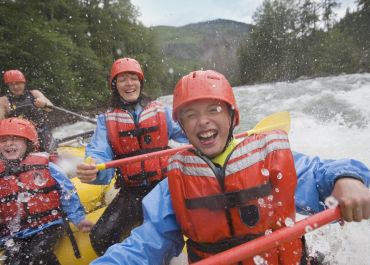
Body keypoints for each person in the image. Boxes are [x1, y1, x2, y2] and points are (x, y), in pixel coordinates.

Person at [90, 70, 370, 265]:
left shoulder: (270, 158)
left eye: (214, 110)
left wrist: (347, 178)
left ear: (233, 116)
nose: (203, 122)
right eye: (191, 115)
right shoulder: (172, 185)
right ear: (182, 128)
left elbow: (322, 173)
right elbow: (145, 245)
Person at [76, 57, 188, 255]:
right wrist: (93, 166)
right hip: (132, 190)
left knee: (168, 228)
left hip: (164, 184)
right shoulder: (106, 120)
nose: (129, 84)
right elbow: (98, 151)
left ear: (141, 82)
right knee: (101, 237)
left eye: (133, 78)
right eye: (122, 79)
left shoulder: (161, 110)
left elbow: (187, 133)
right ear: (114, 85)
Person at [0, 117, 94, 265]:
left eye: (15, 139)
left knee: (38, 254)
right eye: (3, 140)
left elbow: (67, 192)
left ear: (28, 143)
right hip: (17, 233)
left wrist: (78, 219)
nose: (9, 143)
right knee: (13, 262)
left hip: (49, 225)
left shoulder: (46, 166)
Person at [0, 69, 56, 152]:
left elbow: (51, 108)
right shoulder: (3, 101)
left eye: (17, 83)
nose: (15, 87)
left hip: (41, 132)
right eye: (11, 84)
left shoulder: (35, 94)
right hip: (20, 137)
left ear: (23, 83)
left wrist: (44, 104)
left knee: (47, 151)